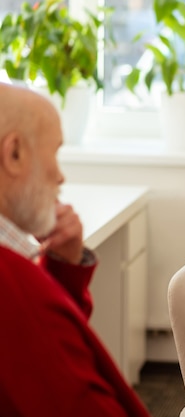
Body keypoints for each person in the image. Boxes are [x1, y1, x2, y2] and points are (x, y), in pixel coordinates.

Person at [0, 83, 150, 417]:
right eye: (54, 153)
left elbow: (48, 351)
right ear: (14, 154)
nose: (60, 175)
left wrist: (63, 267)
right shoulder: (11, 281)